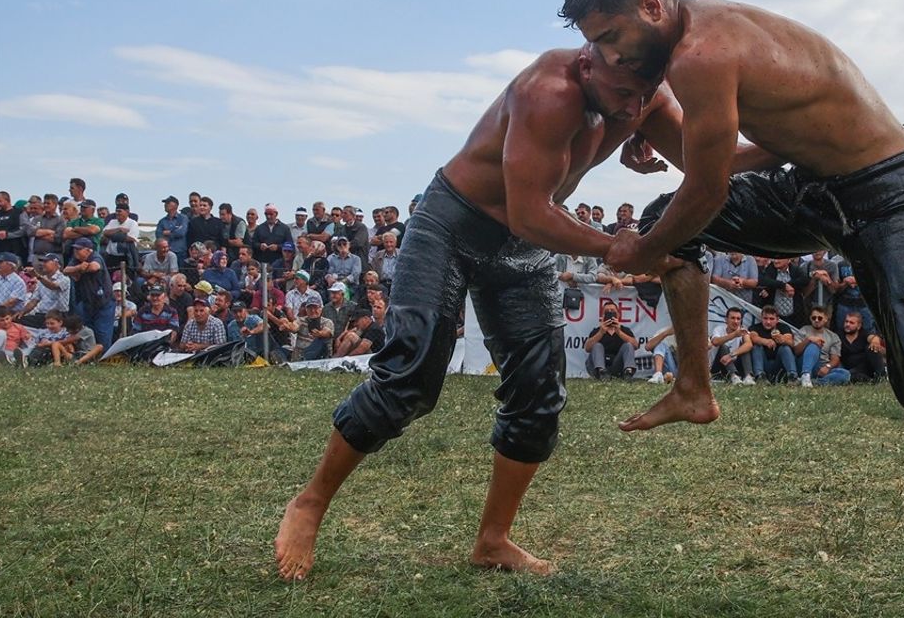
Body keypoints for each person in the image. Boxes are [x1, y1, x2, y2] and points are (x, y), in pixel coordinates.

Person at [561, 0, 904, 615]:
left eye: (614, 39)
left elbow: (706, 190)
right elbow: (731, 159)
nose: (612, 59)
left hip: (896, 195)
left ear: (651, 8)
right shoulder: (694, 47)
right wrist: (650, 122)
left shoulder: (702, 53)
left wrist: (645, 250)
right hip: (815, 191)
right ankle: (694, 389)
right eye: (599, 46)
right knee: (667, 219)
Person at [274, 44, 690, 583]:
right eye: (622, 94)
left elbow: (714, 155)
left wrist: (804, 151)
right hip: (454, 221)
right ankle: (310, 502)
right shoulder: (549, 89)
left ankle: (493, 541)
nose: (634, 109)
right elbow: (529, 211)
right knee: (409, 377)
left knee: (540, 395)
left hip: (522, 240)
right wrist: (618, 246)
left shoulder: (644, 94)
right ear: (591, 62)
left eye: (645, 94)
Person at [583, 303, 639, 378]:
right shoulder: (597, 331)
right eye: (607, 312)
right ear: (603, 316)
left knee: (628, 345)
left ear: (618, 315)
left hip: (617, 365)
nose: (609, 313)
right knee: (597, 345)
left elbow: (635, 345)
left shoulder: (625, 330)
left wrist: (619, 332)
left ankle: (628, 372)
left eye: (612, 311)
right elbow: (587, 348)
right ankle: (602, 372)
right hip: (598, 366)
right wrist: (601, 332)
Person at [747, 304, 799, 384]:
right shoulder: (755, 327)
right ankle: (759, 376)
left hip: (779, 365)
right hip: (764, 364)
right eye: (765, 318)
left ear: (777, 319)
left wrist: (782, 339)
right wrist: (766, 341)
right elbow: (753, 337)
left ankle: (792, 377)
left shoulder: (783, 327)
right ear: (761, 318)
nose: (768, 322)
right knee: (756, 346)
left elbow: (791, 342)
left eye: (771, 319)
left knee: (785, 348)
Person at [709, 306, 754, 384]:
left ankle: (748, 377)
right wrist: (734, 334)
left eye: (738, 319)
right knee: (723, 346)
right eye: (732, 318)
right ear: (726, 320)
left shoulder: (743, 330)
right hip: (720, 364)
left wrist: (731, 355)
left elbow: (749, 344)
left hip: (734, 363)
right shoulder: (719, 329)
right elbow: (715, 342)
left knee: (745, 349)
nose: (736, 321)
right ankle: (734, 376)